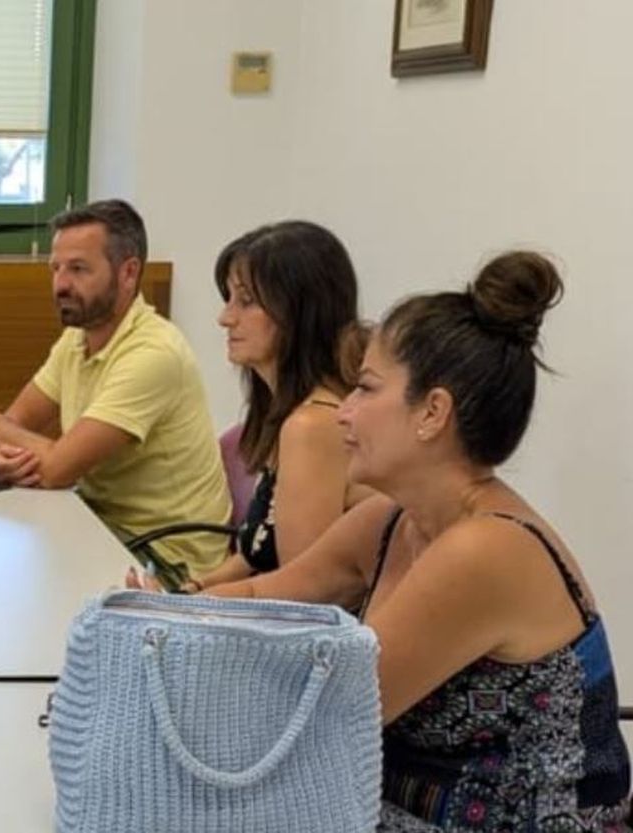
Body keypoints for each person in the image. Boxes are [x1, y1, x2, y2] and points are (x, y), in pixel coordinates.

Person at [204, 252, 630, 829]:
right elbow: (264, 600)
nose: (343, 414)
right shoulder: (390, 520)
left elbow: (329, 713)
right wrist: (158, 610)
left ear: (432, 412)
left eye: (365, 389)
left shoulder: (485, 550)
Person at [0, 199, 231, 579]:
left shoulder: (153, 353)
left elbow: (58, 468)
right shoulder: (77, 339)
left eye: (78, 269)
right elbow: (18, 421)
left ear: (128, 273)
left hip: (167, 561)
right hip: (100, 525)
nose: (61, 285)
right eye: (56, 269)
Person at [185, 221, 374, 592]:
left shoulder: (312, 424)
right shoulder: (292, 410)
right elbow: (261, 548)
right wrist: (192, 589)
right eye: (228, 299)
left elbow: (299, 598)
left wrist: (192, 609)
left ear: (299, 312)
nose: (225, 318)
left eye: (246, 301)